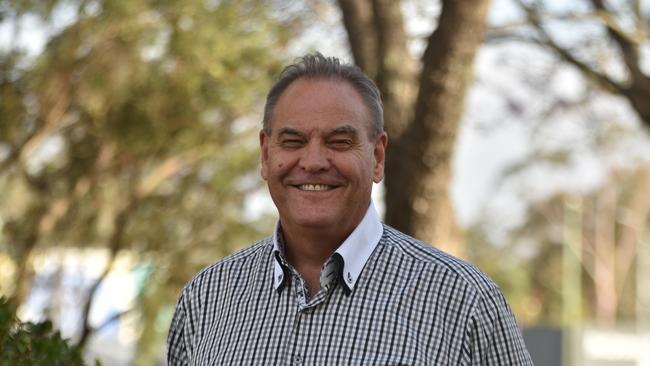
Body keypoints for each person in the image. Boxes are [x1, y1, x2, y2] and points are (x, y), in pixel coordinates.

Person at [167, 53, 533, 365]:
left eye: (339, 142)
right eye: (293, 141)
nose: (312, 162)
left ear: (377, 157)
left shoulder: (463, 301)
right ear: (266, 154)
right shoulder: (207, 298)